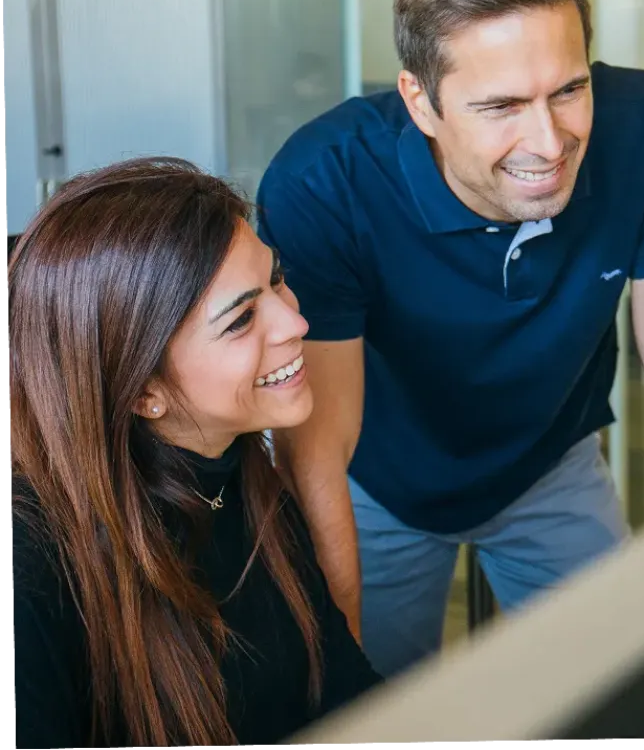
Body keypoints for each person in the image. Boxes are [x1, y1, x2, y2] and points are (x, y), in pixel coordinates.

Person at [257, 0, 644, 679]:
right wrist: (336, 665)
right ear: (419, 102)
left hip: (549, 462)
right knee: (376, 708)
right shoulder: (326, 181)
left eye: (569, 90)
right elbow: (320, 444)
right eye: (501, 106)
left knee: (627, 692)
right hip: (378, 482)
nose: (547, 143)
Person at [8, 158, 381, 750]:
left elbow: (345, 693)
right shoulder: (33, 567)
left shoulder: (242, 476)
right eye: (240, 320)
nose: (296, 321)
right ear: (144, 392)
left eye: (277, 279)